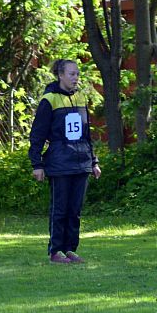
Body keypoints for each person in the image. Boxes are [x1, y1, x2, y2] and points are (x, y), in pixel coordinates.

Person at [29, 59, 101, 264]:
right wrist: (37, 164)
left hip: (82, 163)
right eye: (72, 74)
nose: (76, 78)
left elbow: (86, 134)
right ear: (60, 75)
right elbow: (38, 134)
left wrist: (93, 161)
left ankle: (70, 249)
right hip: (60, 163)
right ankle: (55, 251)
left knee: (74, 210)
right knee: (59, 209)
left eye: (77, 74)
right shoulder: (49, 100)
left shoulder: (80, 98)